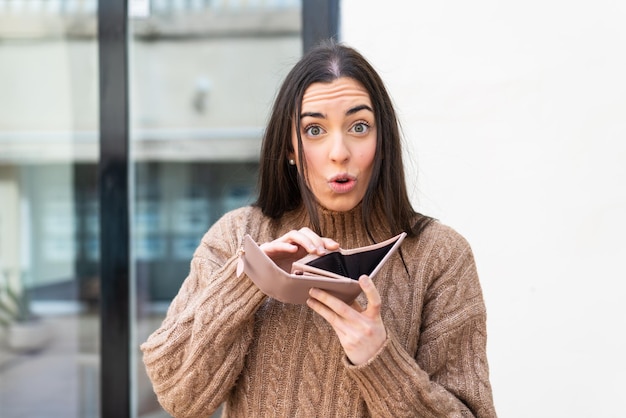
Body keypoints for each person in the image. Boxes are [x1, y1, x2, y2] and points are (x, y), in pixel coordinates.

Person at [141, 40, 497, 417]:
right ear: (289, 148)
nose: (339, 151)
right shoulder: (236, 236)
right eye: (314, 130)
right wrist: (247, 278)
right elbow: (178, 395)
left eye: (359, 126)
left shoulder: (439, 255)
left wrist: (380, 359)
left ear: (383, 141)